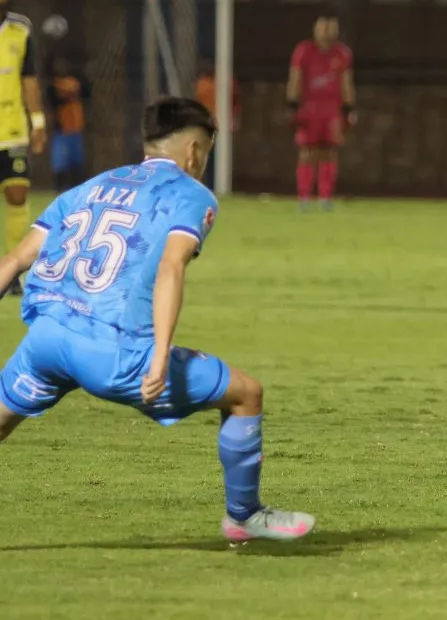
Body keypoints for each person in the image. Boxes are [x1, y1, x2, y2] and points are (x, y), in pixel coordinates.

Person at [0, 97, 315, 542]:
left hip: (46, 339)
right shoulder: (191, 195)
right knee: (246, 393)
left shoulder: (91, 185)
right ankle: (244, 516)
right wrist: (160, 355)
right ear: (193, 151)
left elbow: (14, 260)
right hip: (113, 354)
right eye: (205, 150)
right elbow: (171, 267)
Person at [0, 0, 47, 296]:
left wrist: (38, 121)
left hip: (13, 128)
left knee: (17, 193)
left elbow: (29, 80)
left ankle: (13, 270)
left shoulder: (21, 29)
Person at [286, 15, 357, 209]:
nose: (326, 33)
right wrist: (292, 103)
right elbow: (296, 77)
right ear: (315, 30)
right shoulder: (304, 51)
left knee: (329, 152)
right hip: (309, 108)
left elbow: (346, 82)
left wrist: (349, 107)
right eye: (323, 28)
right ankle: (304, 197)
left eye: (330, 28)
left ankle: (325, 197)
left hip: (331, 110)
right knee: (307, 152)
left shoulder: (342, 54)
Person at [194, 57, 241, 189]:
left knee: (214, 159)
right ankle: (212, 184)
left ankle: (217, 184)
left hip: (218, 126)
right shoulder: (205, 84)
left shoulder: (207, 84)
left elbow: (235, 103)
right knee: (211, 159)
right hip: (211, 127)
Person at [45, 54, 90, 191]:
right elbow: (55, 101)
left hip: (75, 129)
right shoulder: (53, 87)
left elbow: (87, 93)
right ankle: (59, 189)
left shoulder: (76, 83)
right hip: (61, 131)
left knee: (77, 162)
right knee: (60, 163)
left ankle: (79, 189)